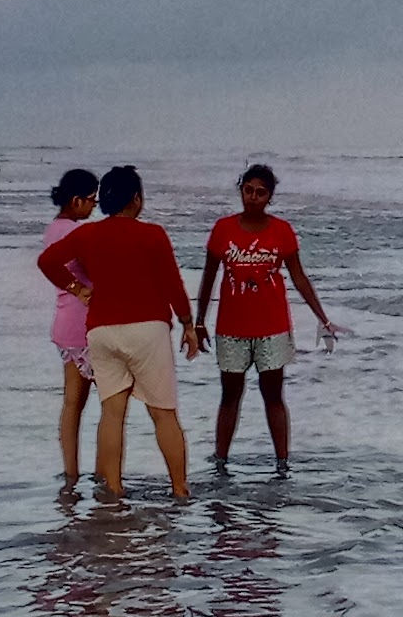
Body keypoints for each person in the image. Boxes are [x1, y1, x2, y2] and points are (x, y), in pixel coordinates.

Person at [39, 165, 200, 497]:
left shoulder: (86, 234)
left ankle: (113, 490)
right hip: (147, 330)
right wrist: (187, 324)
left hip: (102, 331)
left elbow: (47, 261)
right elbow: (172, 284)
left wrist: (75, 288)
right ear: (137, 199)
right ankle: (180, 489)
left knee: (112, 413)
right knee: (163, 414)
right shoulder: (153, 234)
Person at [194, 163, 340, 478]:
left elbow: (299, 278)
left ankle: (282, 464)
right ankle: (220, 461)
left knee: (273, 394)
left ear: (270, 197)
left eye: (261, 193)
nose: (253, 198)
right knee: (230, 395)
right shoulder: (223, 229)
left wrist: (322, 318)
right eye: (248, 190)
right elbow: (208, 278)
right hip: (231, 328)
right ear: (241, 190)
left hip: (272, 328)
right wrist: (198, 321)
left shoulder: (282, 231)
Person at [42, 168, 98, 487]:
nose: (94, 207)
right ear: (76, 200)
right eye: (92, 200)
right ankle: (107, 473)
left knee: (72, 402)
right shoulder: (73, 234)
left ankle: (71, 473)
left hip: (64, 323)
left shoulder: (53, 229)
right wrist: (81, 288)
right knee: (111, 403)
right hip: (85, 322)